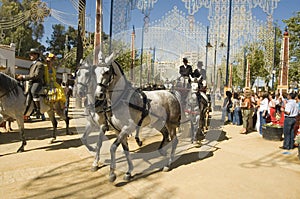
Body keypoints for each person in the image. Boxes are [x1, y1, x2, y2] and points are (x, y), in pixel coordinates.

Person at [16, 48, 45, 118]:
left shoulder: (40, 64)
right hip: (31, 81)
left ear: (36, 55)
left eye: (32, 54)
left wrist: (23, 76)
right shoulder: (32, 64)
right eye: (30, 54)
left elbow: (36, 75)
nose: (30, 55)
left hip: (37, 82)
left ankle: (38, 110)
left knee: (33, 92)